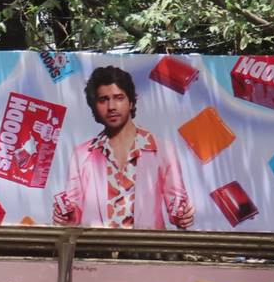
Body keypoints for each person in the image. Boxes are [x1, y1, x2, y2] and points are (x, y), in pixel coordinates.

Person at [52, 65, 195, 230]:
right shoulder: (82, 154)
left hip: (147, 250)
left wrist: (183, 216)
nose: (111, 106)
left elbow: (176, 207)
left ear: (132, 102)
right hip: (96, 249)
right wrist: (65, 216)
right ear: (95, 107)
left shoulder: (163, 150)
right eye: (103, 100)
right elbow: (73, 212)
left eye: (119, 97)